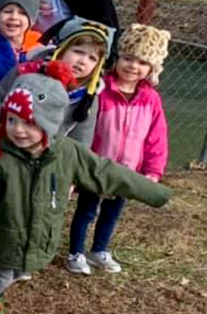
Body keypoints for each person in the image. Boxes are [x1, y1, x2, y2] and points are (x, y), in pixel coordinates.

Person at [0, 74, 171, 314]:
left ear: (49, 123)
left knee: (18, 273)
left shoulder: (67, 152)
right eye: (11, 120)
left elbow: (105, 172)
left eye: (29, 123)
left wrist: (155, 193)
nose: (18, 130)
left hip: (41, 238)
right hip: (2, 239)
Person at [67, 24, 171, 275]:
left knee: (112, 212)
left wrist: (153, 171)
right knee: (86, 210)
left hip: (127, 171)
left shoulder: (151, 99)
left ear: (151, 68)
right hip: (97, 167)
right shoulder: (101, 89)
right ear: (117, 58)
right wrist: (78, 167)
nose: (133, 66)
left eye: (142, 62)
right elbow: (84, 128)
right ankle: (76, 253)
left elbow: (157, 137)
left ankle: (100, 249)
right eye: (128, 58)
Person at [0, 16, 114, 154]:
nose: (83, 61)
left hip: (45, 164)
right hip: (4, 151)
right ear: (62, 49)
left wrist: (73, 174)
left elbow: (81, 139)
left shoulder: (87, 96)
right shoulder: (27, 71)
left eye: (92, 58)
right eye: (78, 51)